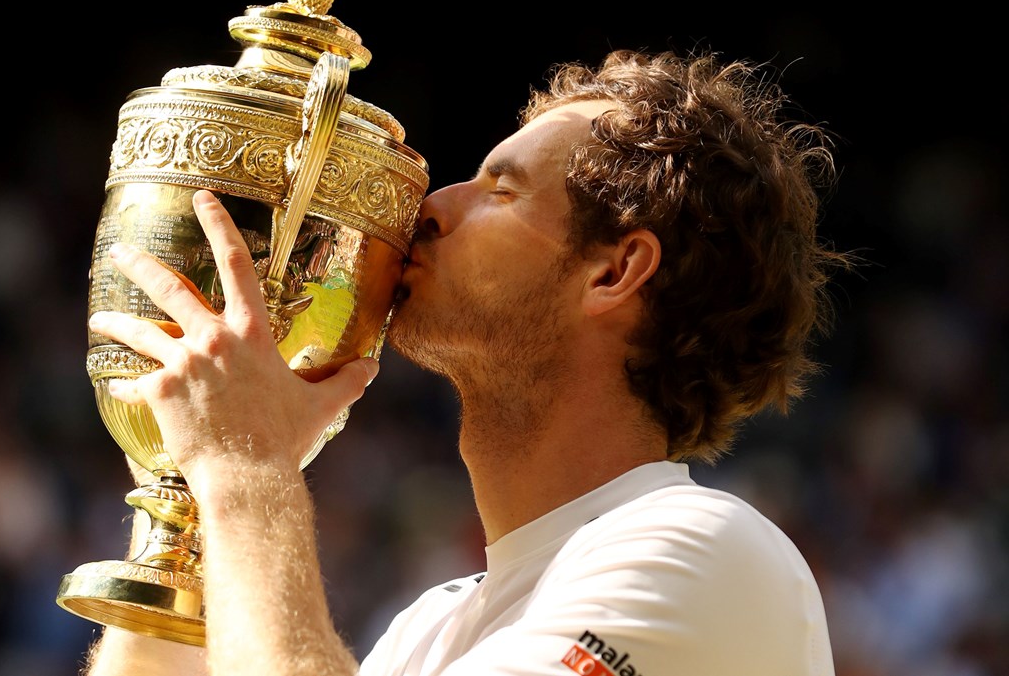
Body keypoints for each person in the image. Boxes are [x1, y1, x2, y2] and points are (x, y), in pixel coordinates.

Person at [81, 48, 848, 675]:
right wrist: (181, 488)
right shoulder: (430, 626)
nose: (433, 208)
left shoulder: (704, 549)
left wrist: (245, 458)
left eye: (500, 189)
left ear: (614, 272)